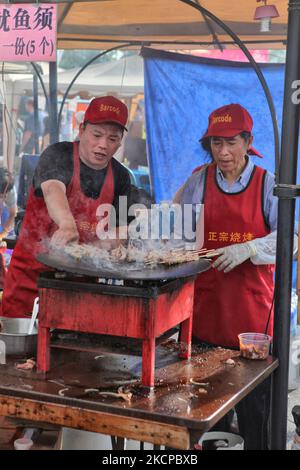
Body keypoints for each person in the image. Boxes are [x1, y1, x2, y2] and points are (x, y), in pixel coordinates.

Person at [177, 103, 296, 450]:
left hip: (252, 326)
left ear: (248, 141)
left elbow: (289, 240)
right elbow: (179, 229)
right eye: (216, 143)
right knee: (204, 416)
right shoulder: (198, 180)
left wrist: (249, 249)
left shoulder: (267, 184)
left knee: (254, 419)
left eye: (231, 142)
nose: (223, 152)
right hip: (203, 320)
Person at [2, 96, 132, 318]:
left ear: (120, 142)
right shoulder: (57, 155)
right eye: (97, 135)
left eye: (112, 138)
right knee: (21, 350)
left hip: (80, 285)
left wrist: (106, 246)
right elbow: (53, 190)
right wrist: (67, 224)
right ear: (82, 130)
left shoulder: (121, 176)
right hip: (32, 279)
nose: (103, 144)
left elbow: (121, 228)